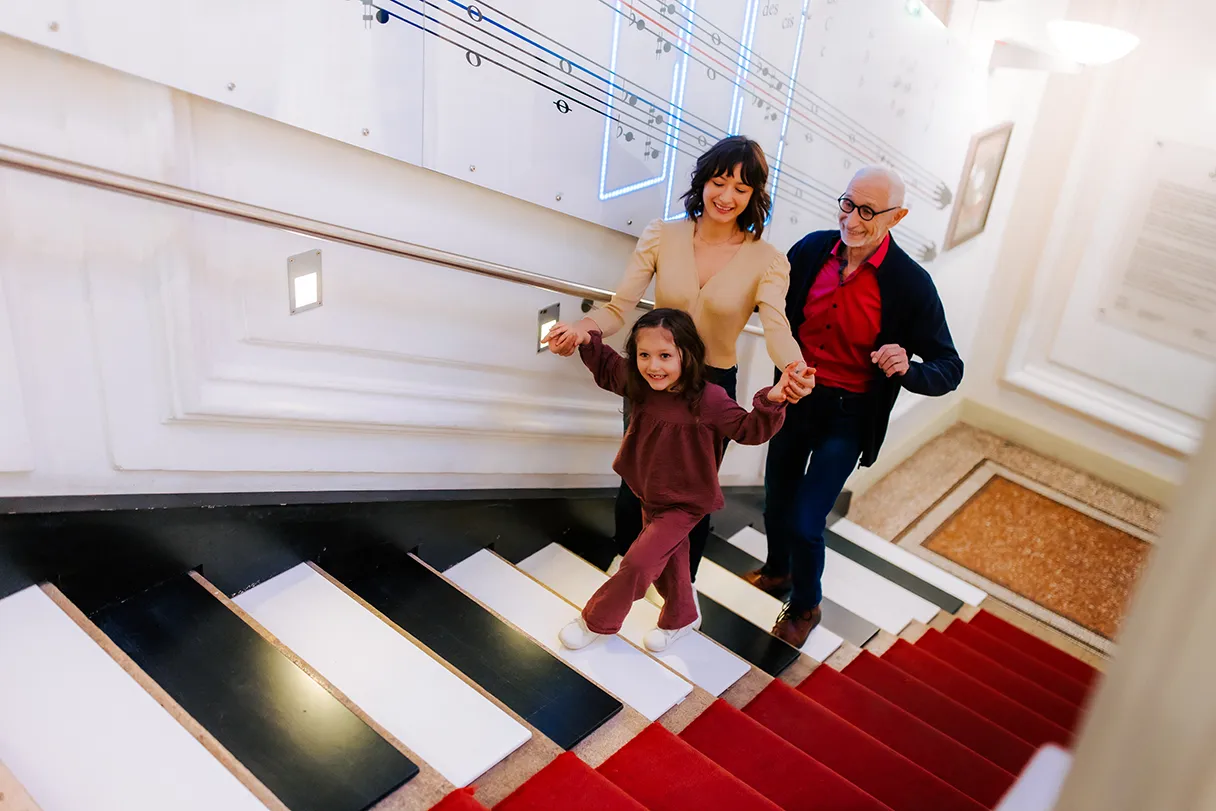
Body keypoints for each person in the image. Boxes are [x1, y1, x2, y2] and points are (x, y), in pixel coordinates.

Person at [546, 136, 814, 587]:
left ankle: (677, 590)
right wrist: (582, 329)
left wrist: (794, 366)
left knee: (691, 497)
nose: (727, 196)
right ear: (703, 180)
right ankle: (626, 570)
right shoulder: (662, 235)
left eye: (742, 188)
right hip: (651, 377)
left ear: (754, 196)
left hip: (711, 387)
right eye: (719, 181)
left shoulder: (768, 260)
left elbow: (775, 327)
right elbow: (618, 308)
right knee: (637, 480)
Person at [749, 166, 964, 648]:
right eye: (848, 204)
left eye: (868, 211)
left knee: (807, 521)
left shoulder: (912, 285)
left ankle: (807, 604)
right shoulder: (810, 250)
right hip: (794, 399)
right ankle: (778, 571)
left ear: (898, 216)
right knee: (776, 500)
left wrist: (908, 369)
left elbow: (950, 367)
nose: (853, 219)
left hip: (848, 417)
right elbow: (770, 305)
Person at [556, 308, 797, 652]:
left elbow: (747, 429)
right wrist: (585, 338)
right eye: (644, 355)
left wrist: (772, 401)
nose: (654, 366)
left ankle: (595, 621)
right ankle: (682, 617)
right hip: (648, 493)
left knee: (639, 563)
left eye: (665, 356)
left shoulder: (709, 399)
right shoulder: (641, 385)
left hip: (685, 504)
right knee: (672, 562)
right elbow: (609, 368)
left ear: (688, 354)